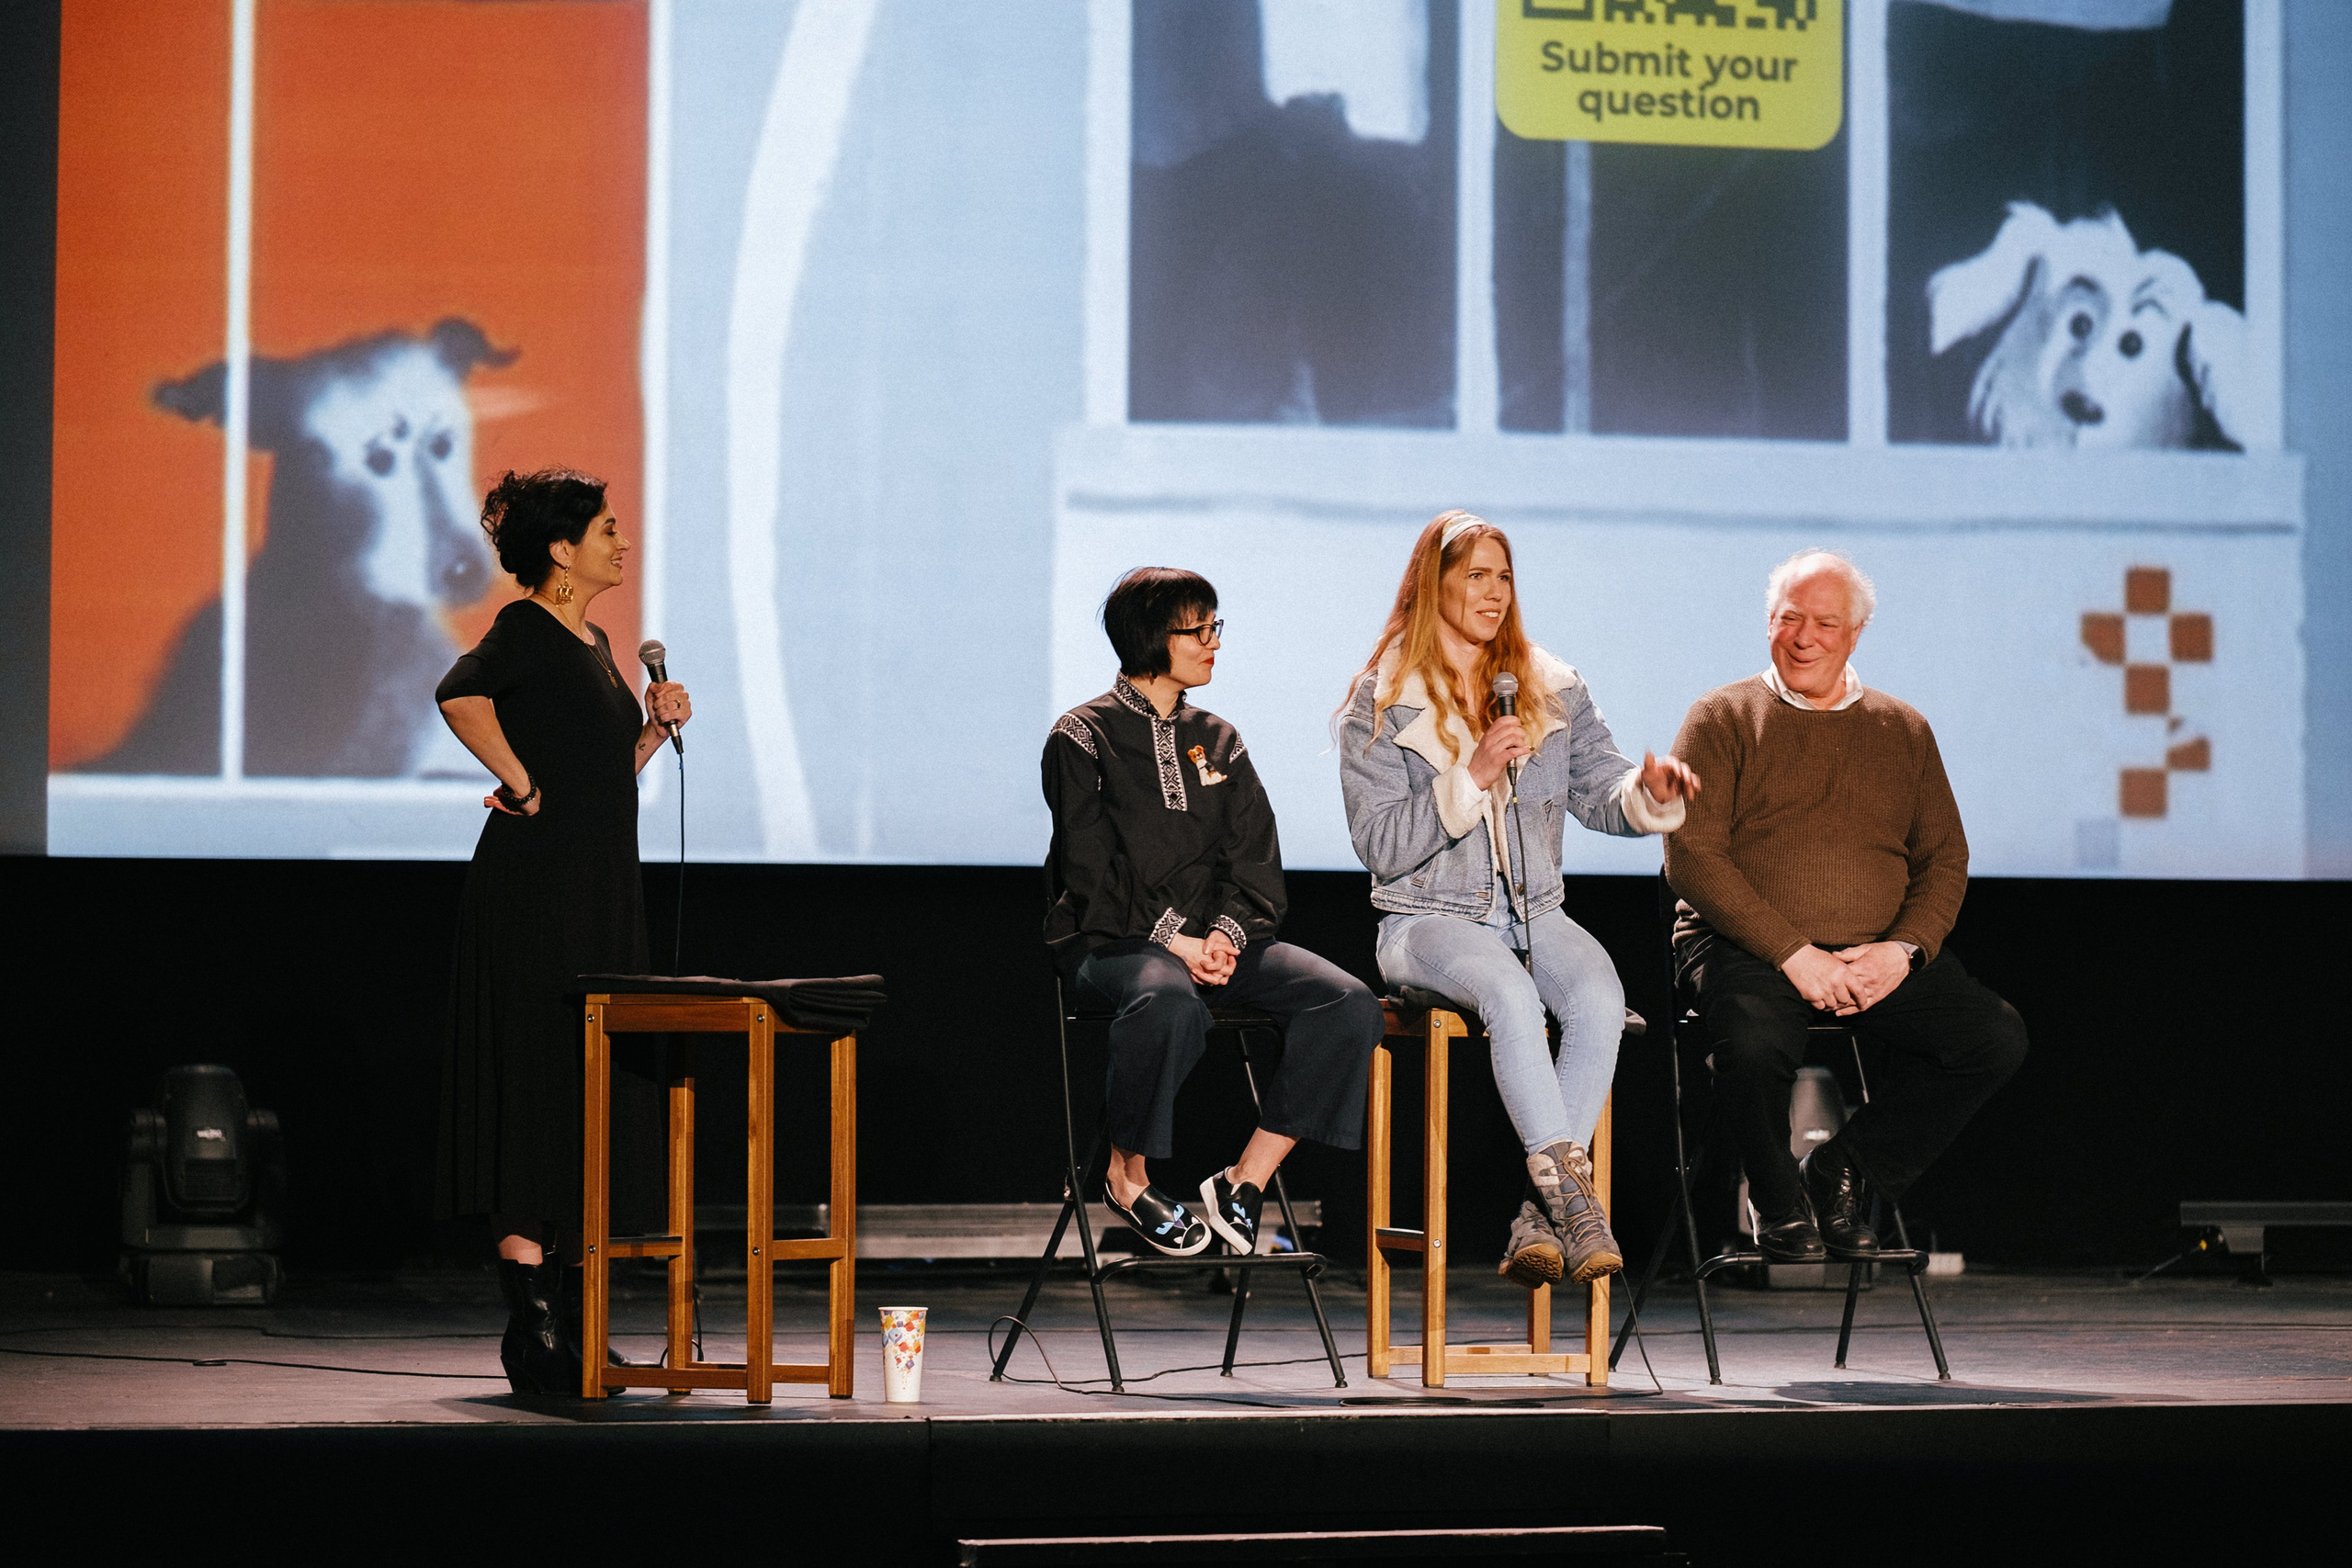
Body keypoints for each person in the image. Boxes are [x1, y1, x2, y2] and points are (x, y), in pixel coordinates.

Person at [1338, 512, 1698, 1289]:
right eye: (1475, 575)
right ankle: (1575, 1202)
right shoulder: (1382, 700)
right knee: (1505, 989)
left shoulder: (1548, 687)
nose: (1494, 592)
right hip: (1425, 919)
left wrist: (1651, 793)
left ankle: (1544, 1213)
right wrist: (1468, 776)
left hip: (1538, 914)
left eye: (1503, 576)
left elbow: (1603, 791)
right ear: (1432, 585)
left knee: (1601, 995)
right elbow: (1381, 846)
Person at [1665, 548, 2028, 1263]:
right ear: (1768, 623)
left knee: (1993, 1038)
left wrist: (1905, 949)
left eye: (1825, 622)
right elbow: (1692, 857)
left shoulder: (1904, 730)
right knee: (1748, 1044)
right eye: (1789, 618)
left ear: (1855, 633)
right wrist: (1794, 954)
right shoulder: (1721, 716)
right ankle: (1775, 1197)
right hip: (1747, 945)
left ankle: (1843, 1170)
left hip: (1872, 954)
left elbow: (1944, 859)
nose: (1805, 637)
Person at [433, 468, 692, 1395]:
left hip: (600, 890)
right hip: (536, 891)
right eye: (608, 529)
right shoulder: (526, 629)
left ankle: (578, 1315)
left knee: (595, 1085)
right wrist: (524, 784)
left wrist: (652, 734)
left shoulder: (595, 640)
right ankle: (531, 1319)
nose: (622, 542)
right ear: (560, 550)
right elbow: (460, 696)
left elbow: (601, 773)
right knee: (541, 1077)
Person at [1044, 568, 1384, 1258]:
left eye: (1213, 627)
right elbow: (1091, 873)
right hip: (1111, 943)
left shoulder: (1219, 739)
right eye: (1196, 630)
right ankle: (1127, 1176)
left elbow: (1255, 857)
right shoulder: (1082, 737)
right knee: (1168, 1003)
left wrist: (1225, 934)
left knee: (1347, 1004)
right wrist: (1178, 942)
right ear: (1149, 637)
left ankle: (1243, 1179)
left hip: (1220, 941)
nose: (1212, 643)